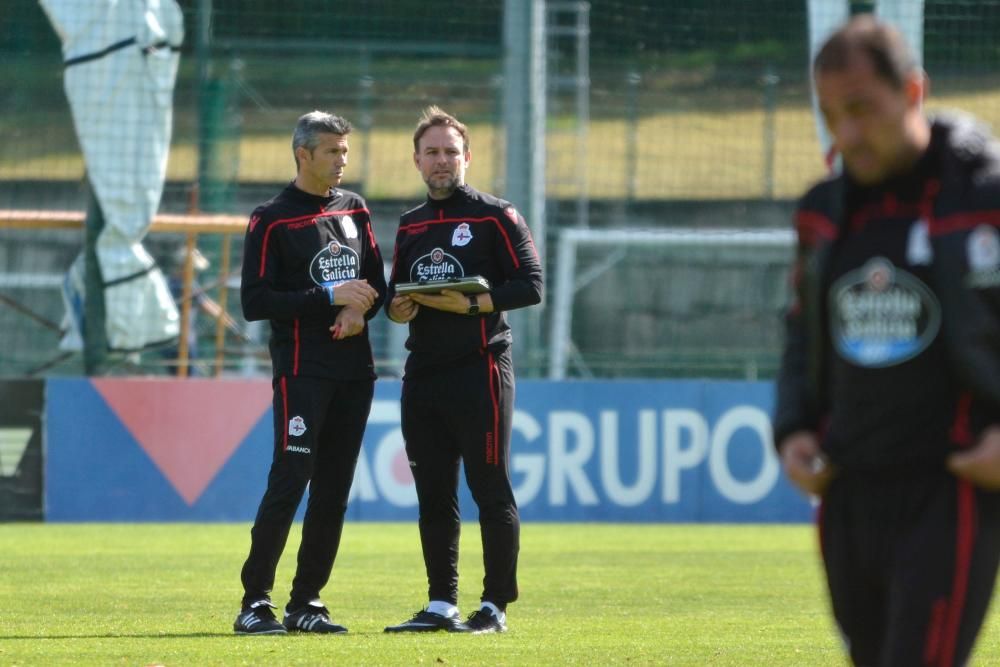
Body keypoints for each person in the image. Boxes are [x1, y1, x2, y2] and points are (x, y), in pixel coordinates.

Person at [773, 15, 1000, 666]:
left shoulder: (984, 197)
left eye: (862, 110)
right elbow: (800, 333)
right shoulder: (822, 211)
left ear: (914, 91)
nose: (846, 134)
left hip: (948, 486)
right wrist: (793, 430)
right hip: (847, 489)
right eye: (829, 114)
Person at [382, 106, 542, 634]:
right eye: (432, 152)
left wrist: (473, 306)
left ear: (467, 157)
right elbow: (400, 292)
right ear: (417, 161)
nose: (442, 160)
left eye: (451, 151)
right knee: (433, 495)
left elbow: (532, 284)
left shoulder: (497, 216)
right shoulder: (410, 225)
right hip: (423, 375)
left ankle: (494, 606)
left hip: (481, 371)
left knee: (490, 489)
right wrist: (397, 307)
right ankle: (441, 604)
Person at [234, 111, 386, 635]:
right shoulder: (271, 217)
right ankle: (255, 601)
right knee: (290, 479)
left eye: (345, 151)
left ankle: (307, 602)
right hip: (302, 371)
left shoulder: (356, 209)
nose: (342, 161)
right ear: (303, 155)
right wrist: (329, 297)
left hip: (354, 372)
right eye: (332, 152)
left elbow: (375, 285)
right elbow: (255, 301)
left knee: (334, 490)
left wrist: (357, 309)